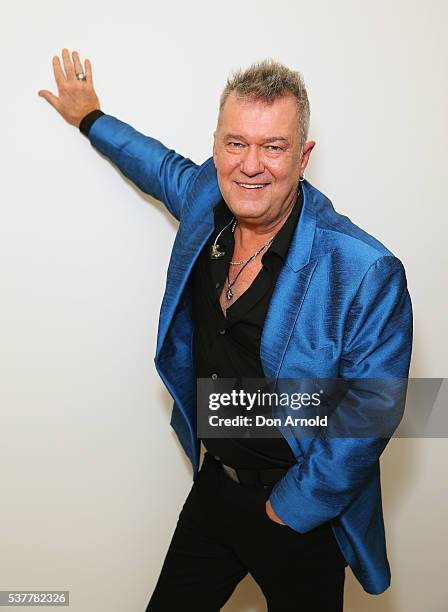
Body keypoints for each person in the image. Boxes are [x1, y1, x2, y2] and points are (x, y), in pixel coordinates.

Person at [38, 49, 413, 612]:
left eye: (274, 146)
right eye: (236, 143)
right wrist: (92, 118)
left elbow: (371, 412)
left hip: (299, 508)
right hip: (216, 489)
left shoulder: (363, 268)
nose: (251, 165)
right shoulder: (206, 200)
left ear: (303, 156)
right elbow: (158, 166)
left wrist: (291, 508)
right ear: (216, 146)